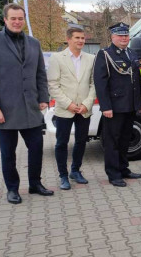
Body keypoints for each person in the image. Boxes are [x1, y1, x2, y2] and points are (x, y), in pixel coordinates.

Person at [0, 3, 54, 204]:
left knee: (36, 148)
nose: (17, 22)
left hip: (30, 109)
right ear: (5, 19)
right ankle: (12, 189)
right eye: (13, 18)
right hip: (5, 110)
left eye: (20, 18)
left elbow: (40, 73)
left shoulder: (33, 43)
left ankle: (35, 184)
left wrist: (43, 97)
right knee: (8, 153)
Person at [93, 22, 141, 187]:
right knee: (112, 142)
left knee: (125, 140)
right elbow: (100, 83)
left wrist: (139, 102)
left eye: (126, 35)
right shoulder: (105, 55)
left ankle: (123, 168)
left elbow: (137, 81)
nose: (124, 38)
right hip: (114, 107)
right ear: (113, 37)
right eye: (120, 35)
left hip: (130, 106)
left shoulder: (131, 53)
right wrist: (105, 106)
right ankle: (113, 174)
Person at [47, 27, 96, 190]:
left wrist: (86, 104)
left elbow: (93, 84)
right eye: (77, 38)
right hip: (65, 109)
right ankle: (63, 175)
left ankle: (75, 171)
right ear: (68, 39)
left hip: (83, 109)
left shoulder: (91, 58)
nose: (81, 41)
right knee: (62, 143)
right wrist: (68, 104)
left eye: (83, 38)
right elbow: (53, 85)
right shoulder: (57, 58)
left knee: (81, 141)